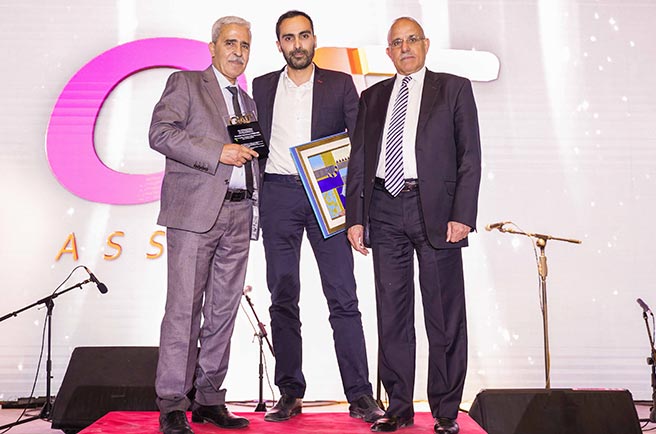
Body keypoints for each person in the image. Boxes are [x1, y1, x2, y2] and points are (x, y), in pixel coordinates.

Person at [346, 17, 482, 434]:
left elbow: (470, 156)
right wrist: (355, 217)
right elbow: (360, 160)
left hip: (437, 212)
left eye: (412, 40)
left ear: (426, 44)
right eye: (397, 43)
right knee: (392, 312)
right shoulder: (372, 97)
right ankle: (399, 407)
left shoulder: (454, 88)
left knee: (443, 313)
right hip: (384, 208)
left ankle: (446, 410)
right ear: (388, 52)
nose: (405, 48)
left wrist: (463, 213)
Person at [252, 10, 384, 424]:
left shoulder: (340, 84)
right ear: (279, 45)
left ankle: (360, 395)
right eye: (289, 38)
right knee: (282, 296)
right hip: (278, 195)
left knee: (343, 296)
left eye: (304, 35)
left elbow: (360, 148)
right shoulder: (260, 86)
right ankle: (290, 392)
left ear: (314, 39)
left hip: (327, 197)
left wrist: (358, 207)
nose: (297, 44)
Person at [149, 15, 260, 434]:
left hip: (239, 214)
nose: (237, 51)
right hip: (194, 215)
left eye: (244, 45)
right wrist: (218, 151)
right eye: (230, 43)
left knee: (223, 311)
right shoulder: (186, 83)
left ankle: (210, 399)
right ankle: (173, 403)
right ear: (212, 48)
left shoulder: (247, 102)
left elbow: (252, 160)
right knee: (183, 310)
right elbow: (160, 133)